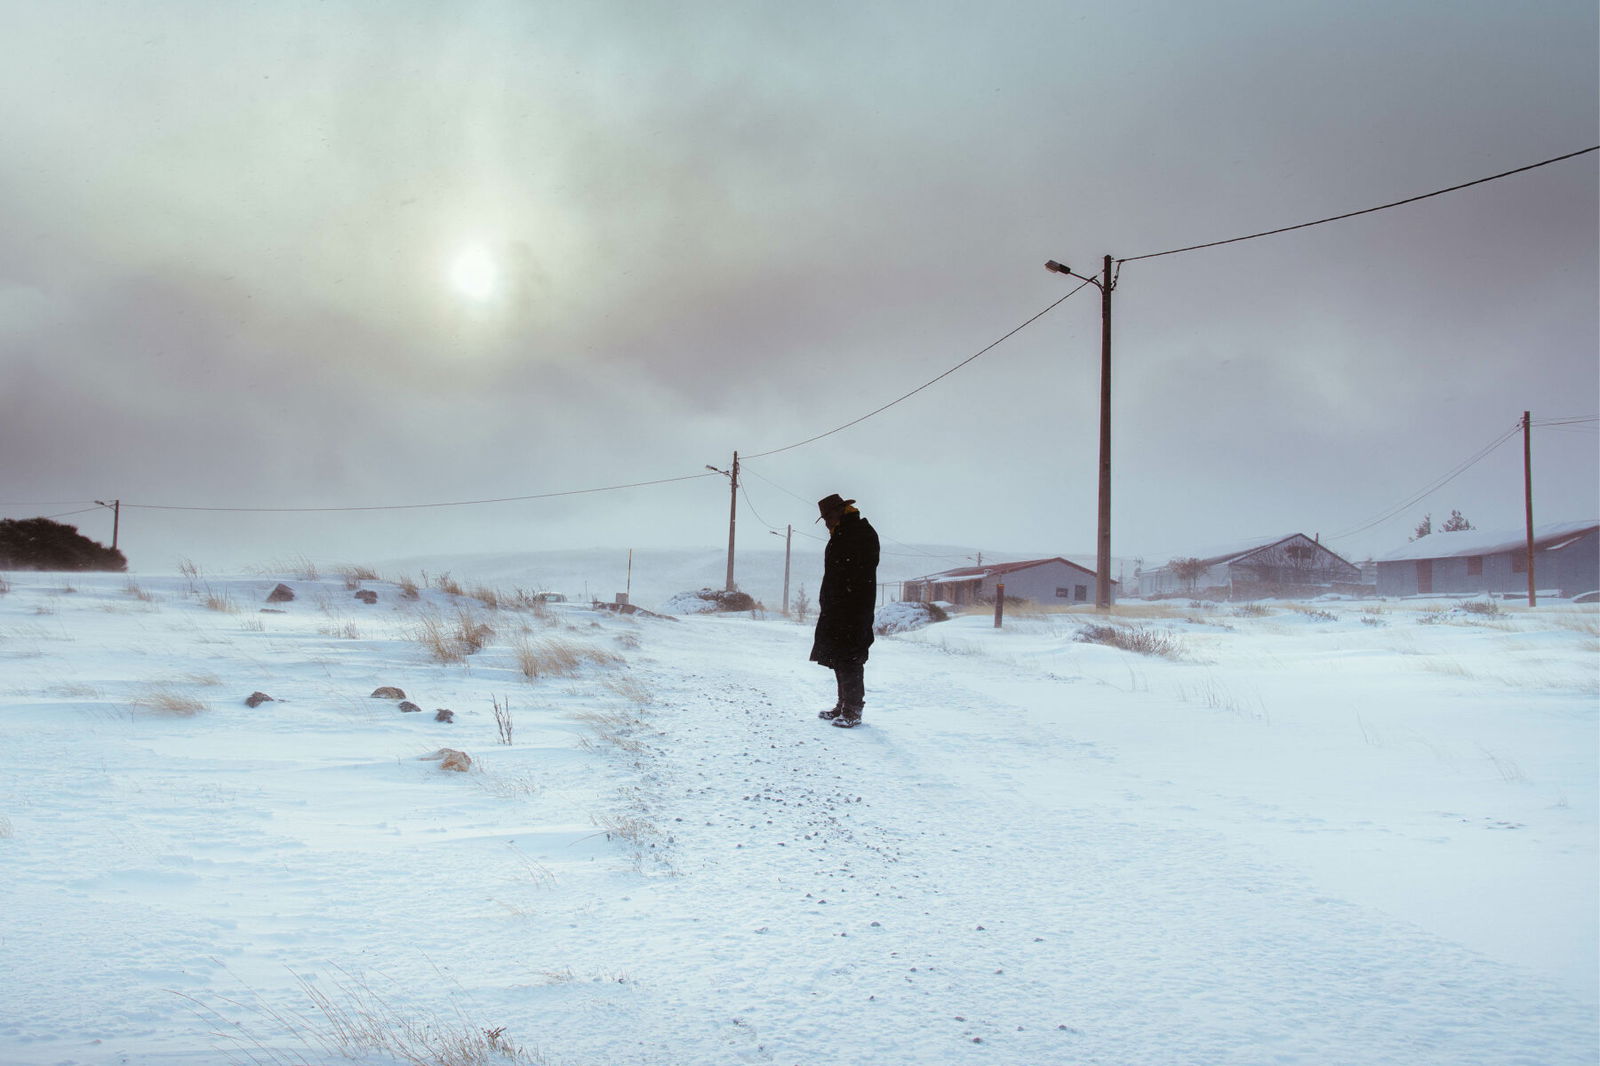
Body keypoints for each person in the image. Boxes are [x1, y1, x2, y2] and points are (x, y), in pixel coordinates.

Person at [810, 493, 880, 728]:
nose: (827, 523)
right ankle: (843, 705)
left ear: (839, 512)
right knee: (839, 656)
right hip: (839, 607)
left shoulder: (859, 533)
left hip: (853, 608)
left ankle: (853, 710)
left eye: (828, 517)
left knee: (850, 656)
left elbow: (859, 572)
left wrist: (845, 598)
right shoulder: (842, 534)